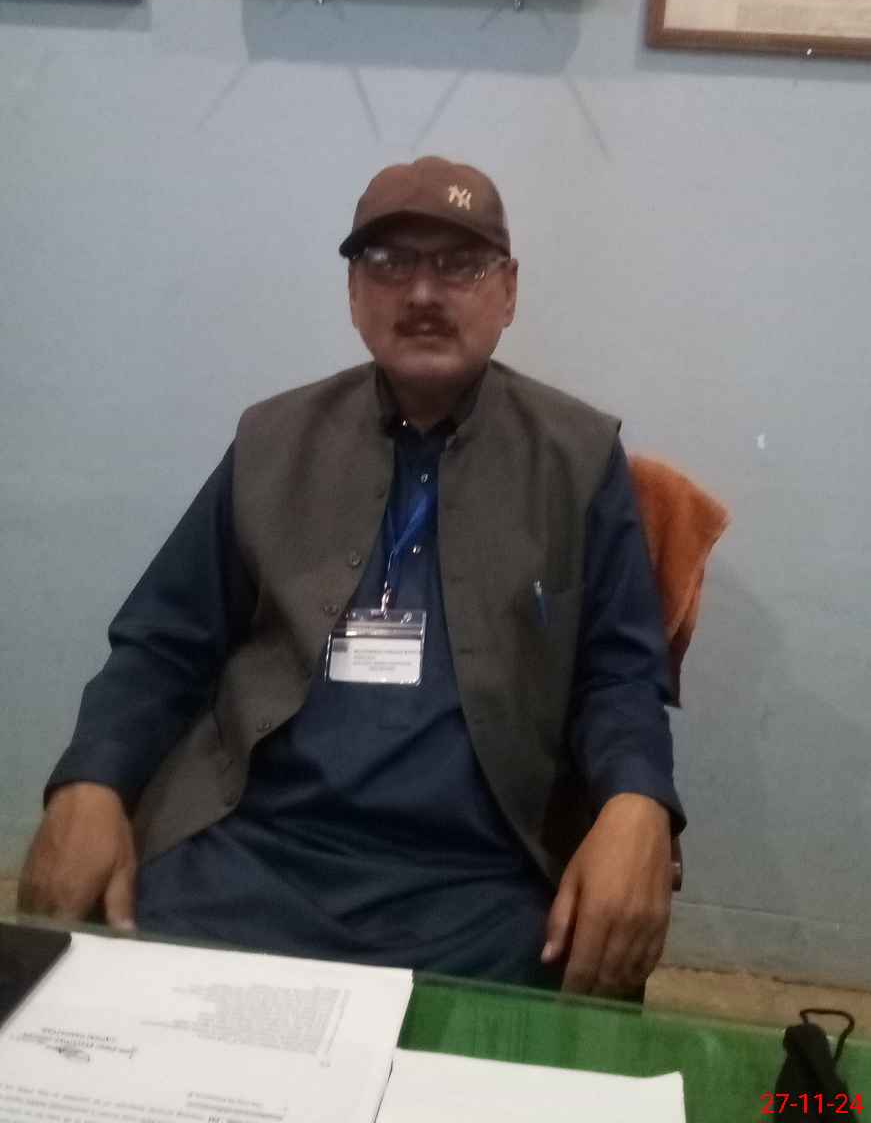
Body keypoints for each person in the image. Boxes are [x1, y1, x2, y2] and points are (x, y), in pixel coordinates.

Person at [18, 157, 684, 998]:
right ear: (354, 293)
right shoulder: (273, 440)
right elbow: (163, 641)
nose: (422, 293)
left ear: (509, 291)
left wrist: (638, 800)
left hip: (479, 880)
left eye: (460, 265)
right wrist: (91, 778)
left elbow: (620, 675)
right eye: (389, 263)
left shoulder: (577, 458)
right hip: (251, 854)